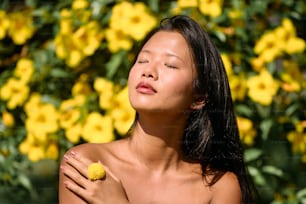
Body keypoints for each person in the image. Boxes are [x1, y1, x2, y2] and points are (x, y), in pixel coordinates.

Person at [59, 15, 257, 204]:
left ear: (199, 97)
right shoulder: (86, 163)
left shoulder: (219, 188)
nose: (148, 71)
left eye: (170, 65)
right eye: (142, 60)